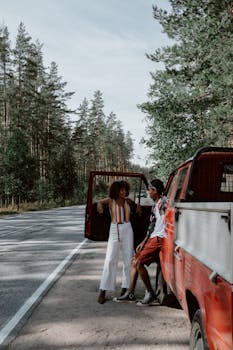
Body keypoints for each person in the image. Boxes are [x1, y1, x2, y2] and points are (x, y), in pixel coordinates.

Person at [113, 178, 167, 306]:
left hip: (160, 238)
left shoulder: (164, 203)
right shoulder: (155, 205)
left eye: (150, 190)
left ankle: (150, 293)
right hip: (153, 237)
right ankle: (130, 293)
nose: (148, 192)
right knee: (134, 261)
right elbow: (152, 226)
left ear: (156, 191)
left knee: (138, 262)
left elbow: (170, 216)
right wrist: (144, 241)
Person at [97, 180, 137, 304]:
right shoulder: (110, 200)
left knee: (128, 259)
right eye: (121, 190)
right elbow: (99, 202)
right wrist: (99, 204)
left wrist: (139, 208)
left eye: (125, 189)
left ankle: (125, 289)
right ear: (116, 190)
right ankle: (103, 290)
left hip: (127, 228)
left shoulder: (128, 201)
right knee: (110, 259)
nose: (124, 192)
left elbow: (137, 207)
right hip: (114, 228)